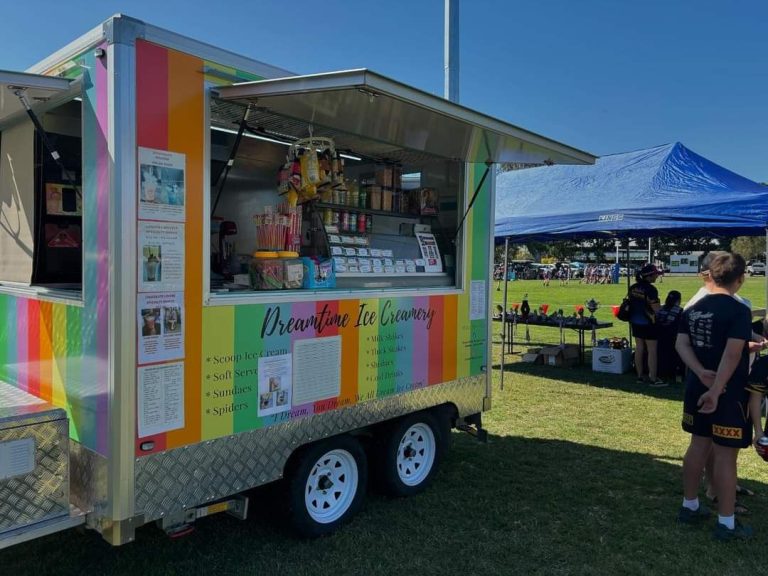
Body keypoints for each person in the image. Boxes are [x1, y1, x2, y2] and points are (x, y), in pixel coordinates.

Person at [676, 252, 753, 540]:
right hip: (726, 392)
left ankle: (690, 505)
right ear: (740, 278)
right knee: (724, 456)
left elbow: (681, 344)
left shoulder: (693, 308)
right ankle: (726, 524)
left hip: (698, 386)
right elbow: (733, 355)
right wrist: (717, 388)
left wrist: (700, 372)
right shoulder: (738, 310)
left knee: (698, 445)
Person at [629, 263, 665, 386]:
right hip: (649, 323)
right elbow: (656, 309)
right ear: (649, 276)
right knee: (652, 351)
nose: (656, 276)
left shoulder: (633, 287)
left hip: (635, 321)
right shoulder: (651, 289)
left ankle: (639, 377)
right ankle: (653, 378)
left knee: (639, 349)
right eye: (655, 274)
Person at [656, 290, 684, 383]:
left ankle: (662, 372)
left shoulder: (661, 308)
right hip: (673, 337)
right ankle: (676, 374)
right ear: (678, 300)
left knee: (662, 355)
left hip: (660, 337)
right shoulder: (679, 310)